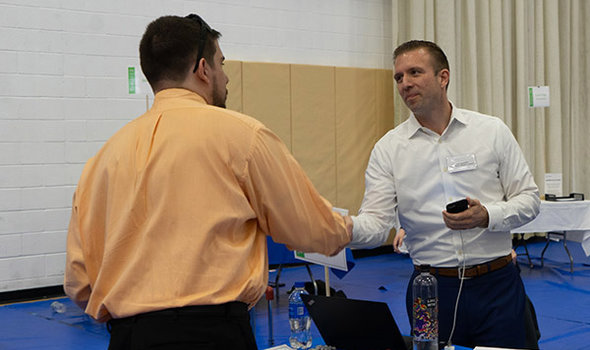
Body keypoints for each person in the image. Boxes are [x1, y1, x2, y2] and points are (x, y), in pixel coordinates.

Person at [64, 14, 351, 350]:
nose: (225, 77)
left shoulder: (102, 160)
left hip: (129, 337)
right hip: (213, 334)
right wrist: (350, 228)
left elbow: (79, 279)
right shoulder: (243, 137)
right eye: (221, 64)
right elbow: (309, 228)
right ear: (203, 69)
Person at [347, 40, 540, 349]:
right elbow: (376, 224)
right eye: (398, 77)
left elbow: (529, 200)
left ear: (443, 77)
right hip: (429, 291)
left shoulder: (491, 131)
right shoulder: (388, 149)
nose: (405, 83)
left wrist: (487, 215)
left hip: (498, 286)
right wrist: (343, 228)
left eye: (414, 72)